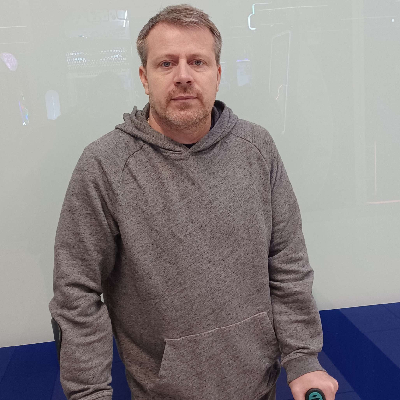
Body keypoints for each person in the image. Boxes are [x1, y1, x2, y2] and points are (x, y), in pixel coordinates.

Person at [49, 4, 339, 400]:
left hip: (259, 386)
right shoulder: (105, 166)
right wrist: (89, 393)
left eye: (197, 62)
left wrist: (302, 357)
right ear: (144, 78)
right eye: (166, 63)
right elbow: (76, 293)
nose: (183, 75)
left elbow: (287, 261)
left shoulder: (257, 149)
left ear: (218, 75)